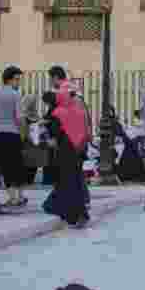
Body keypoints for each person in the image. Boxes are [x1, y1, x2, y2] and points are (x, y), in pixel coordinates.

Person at [41, 84, 90, 229]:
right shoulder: (79, 111)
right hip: (78, 150)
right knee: (75, 183)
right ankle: (81, 214)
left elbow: (54, 136)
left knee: (66, 183)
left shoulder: (58, 113)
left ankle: (72, 215)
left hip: (64, 152)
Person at [0, 66, 28, 208]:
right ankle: (20, 196)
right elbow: (19, 117)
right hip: (13, 133)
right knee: (17, 165)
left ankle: (12, 197)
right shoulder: (15, 94)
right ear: (9, 79)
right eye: (17, 79)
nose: (18, 82)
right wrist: (24, 132)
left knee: (5, 166)